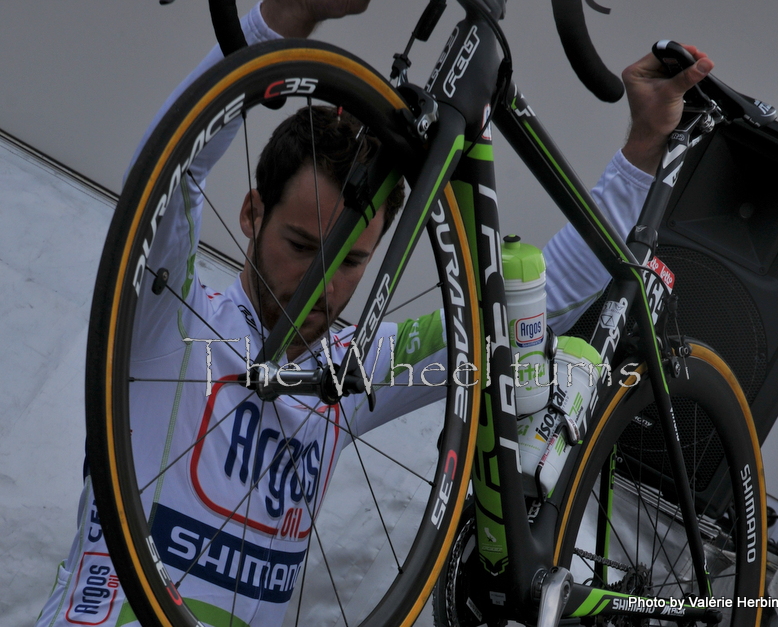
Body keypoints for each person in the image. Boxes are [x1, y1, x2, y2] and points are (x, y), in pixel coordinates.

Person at [35, 2, 714, 626]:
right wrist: (284, 17)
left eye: (351, 262)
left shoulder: (356, 368)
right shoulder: (167, 323)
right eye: (301, 246)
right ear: (250, 214)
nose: (323, 287)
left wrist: (642, 149)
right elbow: (168, 168)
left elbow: (540, 295)